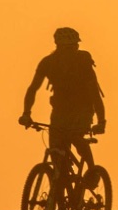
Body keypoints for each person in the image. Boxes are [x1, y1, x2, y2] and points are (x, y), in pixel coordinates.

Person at [20, 27, 106, 185]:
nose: (73, 51)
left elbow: (95, 94)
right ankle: (58, 199)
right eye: (69, 47)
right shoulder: (48, 63)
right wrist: (26, 113)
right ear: (58, 47)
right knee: (55, 150)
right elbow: (33, 89)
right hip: (60, 111)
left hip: (83, 109)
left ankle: (92, 171)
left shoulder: (83, 63)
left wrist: (101, 121)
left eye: (74, 47)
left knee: (76, 137)